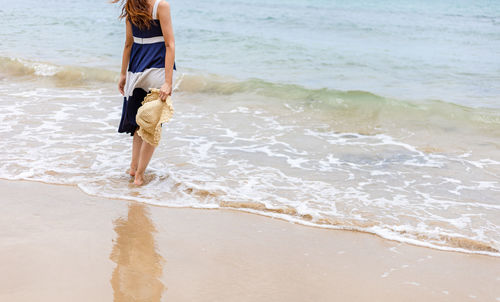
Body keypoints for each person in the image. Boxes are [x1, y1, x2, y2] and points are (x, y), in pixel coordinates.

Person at [113, 0, 176, 185]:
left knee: (140, 124)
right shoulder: (161, 6)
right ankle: (139, 176)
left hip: (136, 73)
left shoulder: (131, 6)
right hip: (156, 73)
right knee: (151, 126)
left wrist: (123, 74)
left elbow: (128, 45)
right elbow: (169, 44)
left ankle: (133, 168)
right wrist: (168, 82)